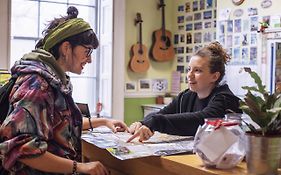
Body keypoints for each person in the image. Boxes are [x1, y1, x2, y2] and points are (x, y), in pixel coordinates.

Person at [0, 6, 128, 175]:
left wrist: (104, 121)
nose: (89, 59)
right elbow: (22, 148)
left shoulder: (53, 80)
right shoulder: (38, 84)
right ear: (66, 48)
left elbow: (55, 123)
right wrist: (79, 166)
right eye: (87, 51)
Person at [127, 41, 242, 142]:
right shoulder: (186, 96)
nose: (189, 75)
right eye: (189, 69)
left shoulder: (225, 99)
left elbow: (203, 120)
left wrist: (154, 122)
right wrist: (142, 123)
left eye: (197, 70)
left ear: (214, 76)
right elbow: (162, 113)